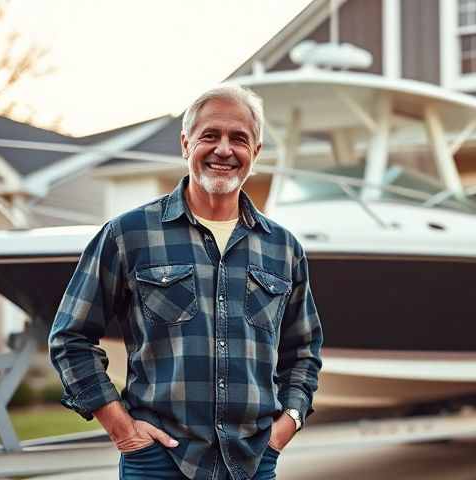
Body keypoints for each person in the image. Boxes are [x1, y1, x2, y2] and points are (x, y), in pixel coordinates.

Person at [49, 84, 323, 480]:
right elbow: (70, 337)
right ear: (185, 144)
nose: (224, 149)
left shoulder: (283, 248)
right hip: (158, 461)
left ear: (256, 153)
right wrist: (122, 430)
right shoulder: (129, 234)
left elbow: (303, 350)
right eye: (210, 136)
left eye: (239, 139)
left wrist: (288, 423)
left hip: (252, 461)